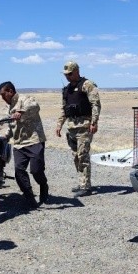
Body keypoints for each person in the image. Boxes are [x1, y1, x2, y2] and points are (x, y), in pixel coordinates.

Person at [0, 81, 50, 207]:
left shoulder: (25, 99)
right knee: (19, 172)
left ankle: (43, 185)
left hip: (34, 140)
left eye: (4, 94)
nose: (3, 98)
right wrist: (4, 136)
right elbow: (12, 126)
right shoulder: (8, 108)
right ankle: (29, 196)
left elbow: (35, 106)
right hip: (19, 144)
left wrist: (21, 112)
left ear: (10, 91)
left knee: (36, 170)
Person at [55, 61, 101, 197]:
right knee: (76, 156)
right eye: (66, 75)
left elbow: (95, 105)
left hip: (84, 126)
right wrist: (59, 124)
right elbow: (64, 109)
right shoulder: (67, 89)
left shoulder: (87, 85)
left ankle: (86, 187)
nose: (67, 77)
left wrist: (94, 122)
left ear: (76, 72)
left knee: (83, 155)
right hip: (72, 127)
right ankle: (82, 182)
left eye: (69, 74)